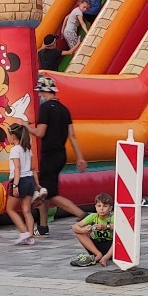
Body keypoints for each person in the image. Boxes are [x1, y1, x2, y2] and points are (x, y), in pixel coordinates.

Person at [31, 77, 87, 235]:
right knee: (45, 192)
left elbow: (40, 133)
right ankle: (42, 227)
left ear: (44, 91)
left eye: (40, 92)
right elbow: (72, 136)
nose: (40, 95)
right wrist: (80, 157)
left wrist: (26, 127)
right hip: (60, 155)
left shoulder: (45, 108)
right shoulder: (64, 109)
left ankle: (83, 215)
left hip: (49, 155)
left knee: (49, 194)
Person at [4, 124, 37, 245]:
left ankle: (24, 232)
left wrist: (15, 185)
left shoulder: (15, 149)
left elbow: (17, 167)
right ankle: (31, 236)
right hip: (29, 180)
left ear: (12, 136)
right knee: (26, 210)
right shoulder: (27, 149)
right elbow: (32, 167)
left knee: (10, 209)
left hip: (20, 180)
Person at [70, 193, 115, 267]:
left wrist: (106, 226)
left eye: (105, 206)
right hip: (96, 246)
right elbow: (74, 226)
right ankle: (98, 255)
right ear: (95, 207)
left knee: (120, 235)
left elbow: (122, 227)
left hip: (111, 246)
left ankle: (106, 257)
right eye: (99, 206)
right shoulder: (93, 216)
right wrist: (84, 230)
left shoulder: (112, 217)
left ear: (110, 208)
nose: (101, 209)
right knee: (79, 234)